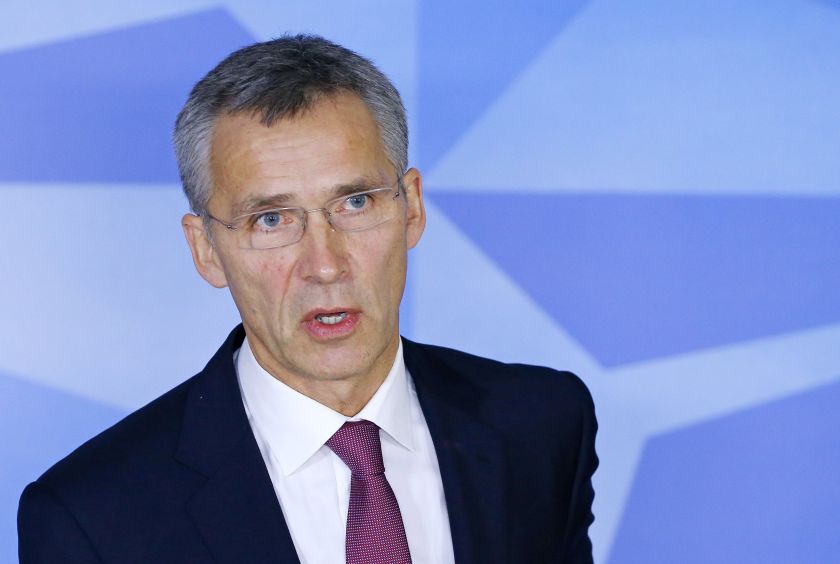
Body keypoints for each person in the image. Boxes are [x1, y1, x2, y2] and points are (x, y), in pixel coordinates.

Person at [17, 34, 597, 563]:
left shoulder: (543, 426)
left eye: (356, 203)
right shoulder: (90, 519)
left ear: (412, 208)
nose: (325, 265)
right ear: (207, 250)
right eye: (270, 219)